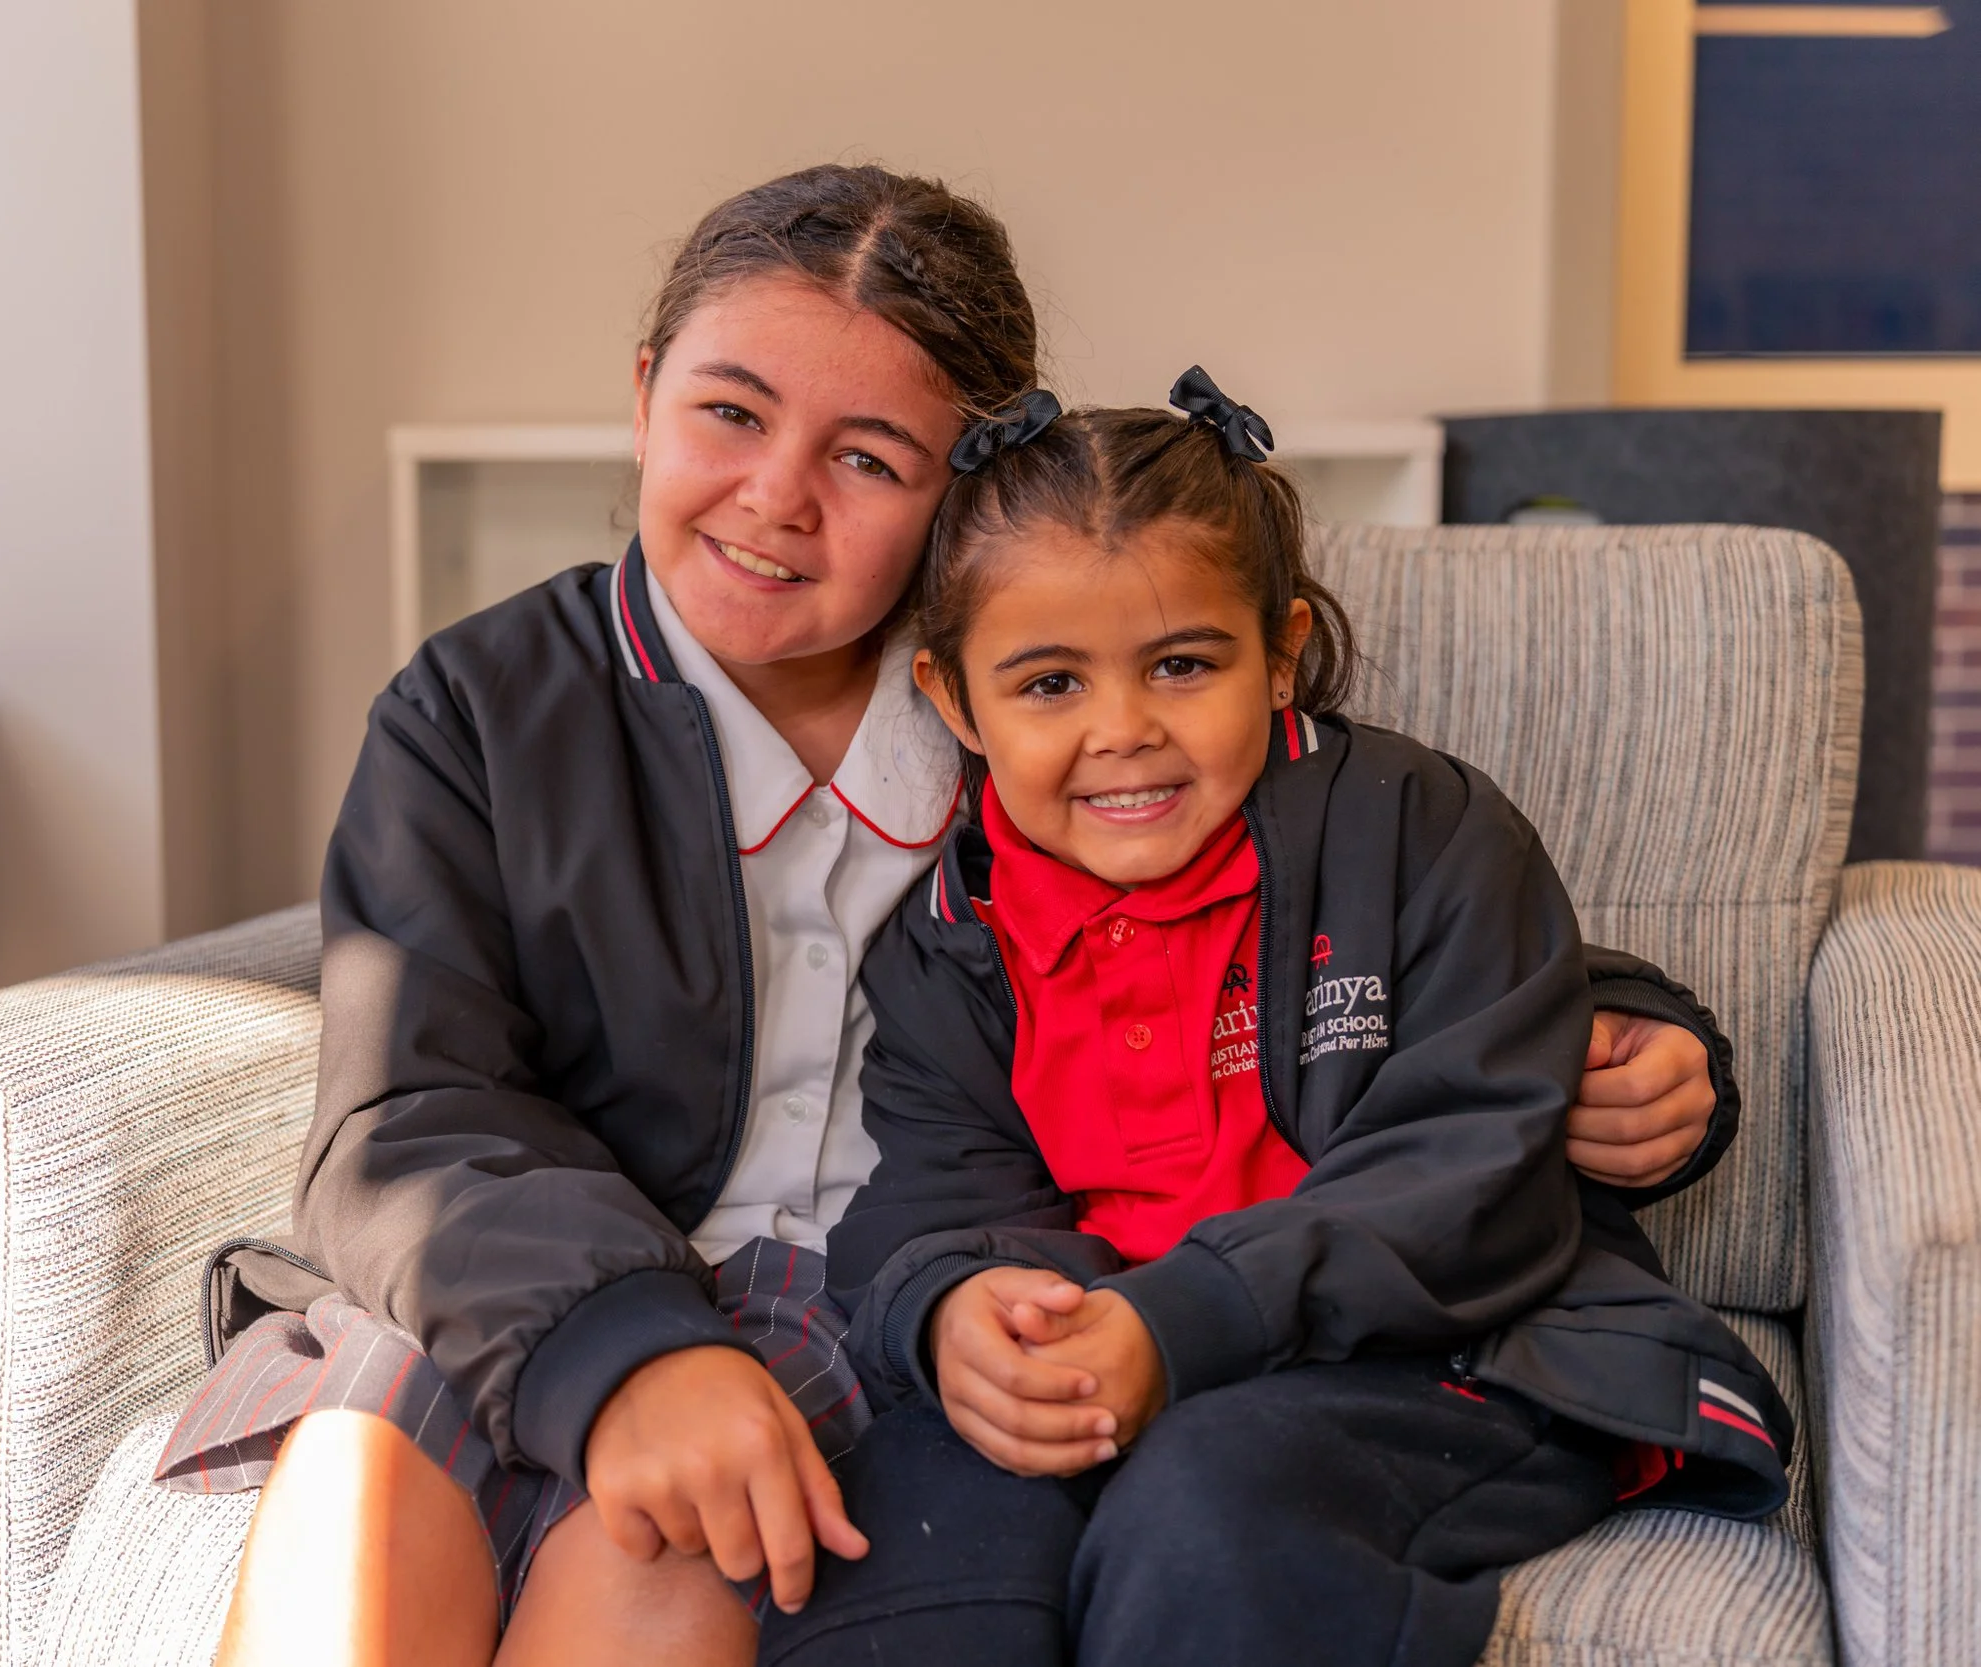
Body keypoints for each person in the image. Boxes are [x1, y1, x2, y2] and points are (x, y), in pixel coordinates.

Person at [151, 167, 1737, 1667]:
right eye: (727, 412)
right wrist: (627, 1344)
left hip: (861, 1292)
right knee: (358, 1496)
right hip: (540, 1267)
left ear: (959, 496)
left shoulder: (1038, 717)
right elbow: (408, 1104)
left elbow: (1318, 907)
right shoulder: (484, 708)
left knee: (667, 1552)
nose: (775, 496)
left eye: (867, 458)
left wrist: (1628, 1017)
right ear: (643, 395)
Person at [760, 382, 1791, 1667]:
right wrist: (955, 1305)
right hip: (1112, 1335)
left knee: (1208, 1507)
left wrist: (1179, 1320)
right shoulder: (949, 937)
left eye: (1183, 664)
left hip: (1435, 1347)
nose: (1122, 730)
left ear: (1281, 649)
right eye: (1047, 682)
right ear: (956, 701)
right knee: (918, 1534)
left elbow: (1467, 1172)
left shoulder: (1421, 828)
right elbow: (927, 1194)